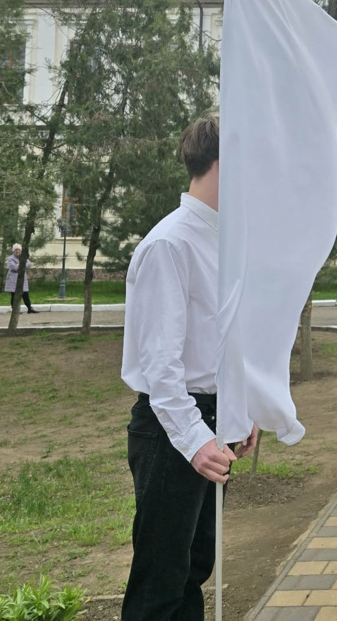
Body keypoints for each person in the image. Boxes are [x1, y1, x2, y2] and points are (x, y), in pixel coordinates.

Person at [120, 114, 260, 621]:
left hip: (213, 417)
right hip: (171, 427)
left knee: (195, 565)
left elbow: (221, 340)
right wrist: (197, 438)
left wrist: (240, 411)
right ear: (221, 163)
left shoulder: (224, 242)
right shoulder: (170, 243)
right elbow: (162, 367)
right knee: (161, 578)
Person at [5, 244, 38, 314]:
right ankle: (14, 309)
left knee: (25, 293)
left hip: (22, 277)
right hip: (13, 278)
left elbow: (29, 264)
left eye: (18, 249)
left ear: (20, 250)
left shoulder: (23, 257)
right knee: (14, 294)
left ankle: (29, 308)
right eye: (15, 250)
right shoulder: (10, 258)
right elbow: (13, 267)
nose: (17, 251)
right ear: (13, 250)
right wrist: (21, 265)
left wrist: (19, 265)